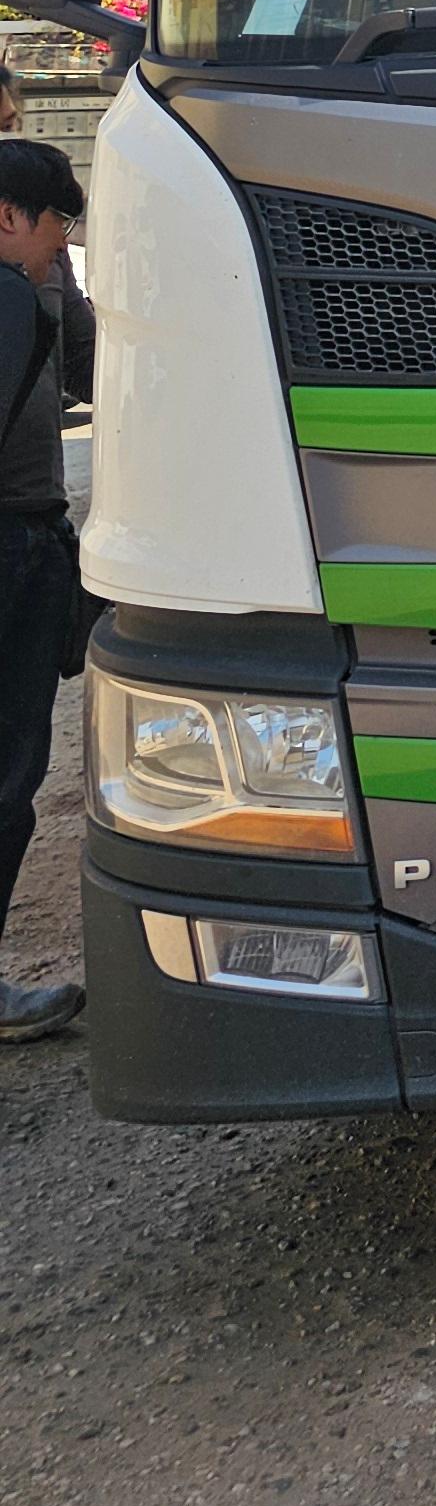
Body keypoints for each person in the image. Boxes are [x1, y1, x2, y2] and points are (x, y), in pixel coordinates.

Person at [0, 138, 92, 1042]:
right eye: (58, 222)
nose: (64, 239)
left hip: (33, 537)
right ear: (8, 216)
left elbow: (88, 378)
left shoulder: (38, 296)